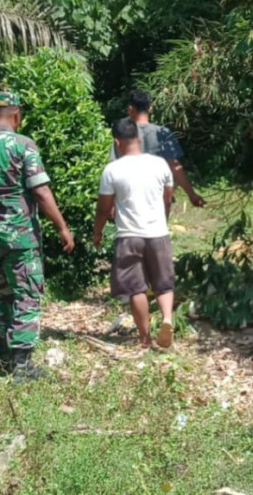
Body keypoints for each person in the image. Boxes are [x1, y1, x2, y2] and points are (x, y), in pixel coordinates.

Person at [0, 91, 75, 380]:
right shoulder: (24, 146)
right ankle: (22, 364)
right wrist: (61, 227)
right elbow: (41, 191)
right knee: (27, 294)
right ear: (16, 114)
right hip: (20, 237)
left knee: (0, 293)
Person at [93, 118, 176, 349]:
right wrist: (163, 219)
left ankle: (145, 339)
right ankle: (167, 318)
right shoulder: (160, 164)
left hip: (129, 236)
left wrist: (97, 233)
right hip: (158, 232)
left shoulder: (112, 170)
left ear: (117, 142)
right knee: (164, 284)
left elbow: (103, 208)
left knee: (136, 288)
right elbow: (167, 198)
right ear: (139, 138)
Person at [111, 89, 206, 208]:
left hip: (129, 199)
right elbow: (175, 166)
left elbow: (115, 170)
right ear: (150, 109)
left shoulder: (122, 135)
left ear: (130, 109)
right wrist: (192, 195)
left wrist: (111, 203)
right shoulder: (163, 133)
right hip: (159, 198)